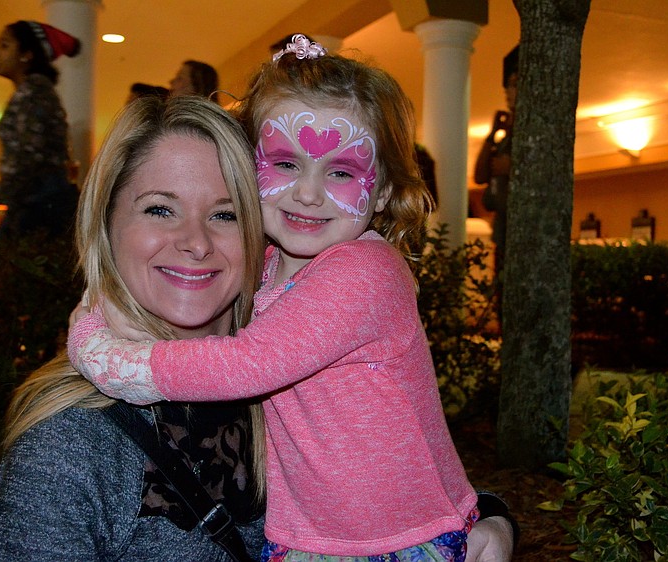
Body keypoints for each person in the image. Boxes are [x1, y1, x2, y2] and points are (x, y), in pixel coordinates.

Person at [68, 35, 515, 561]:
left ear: (386, 191)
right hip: (313, 539)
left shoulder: (363, 271)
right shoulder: (267, 267)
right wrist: (99, 309)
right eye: (284, 164)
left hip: (393, 544)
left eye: (342, 172)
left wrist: (102, 351)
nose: (308, 192)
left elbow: (245, 363)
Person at [0, 96, 268, 560]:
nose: (196, 243)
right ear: (106, 226)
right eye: (160, 209)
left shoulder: (290, 401)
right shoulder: (70, 439)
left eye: (226, 214)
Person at [0, 20, 81, 240]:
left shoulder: (35, 94)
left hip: (40, 208)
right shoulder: (32, 92)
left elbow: (27, 160)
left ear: (27, 55)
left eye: (5, 45)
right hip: (38, 204)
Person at [474, 45, 519, 322]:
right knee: (502, 294)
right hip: (503, 227)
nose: (507, 92)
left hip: (520, 229)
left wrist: (512, 167)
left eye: (513, 85)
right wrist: (492, 136)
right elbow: (481, 175)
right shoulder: (507, 136)